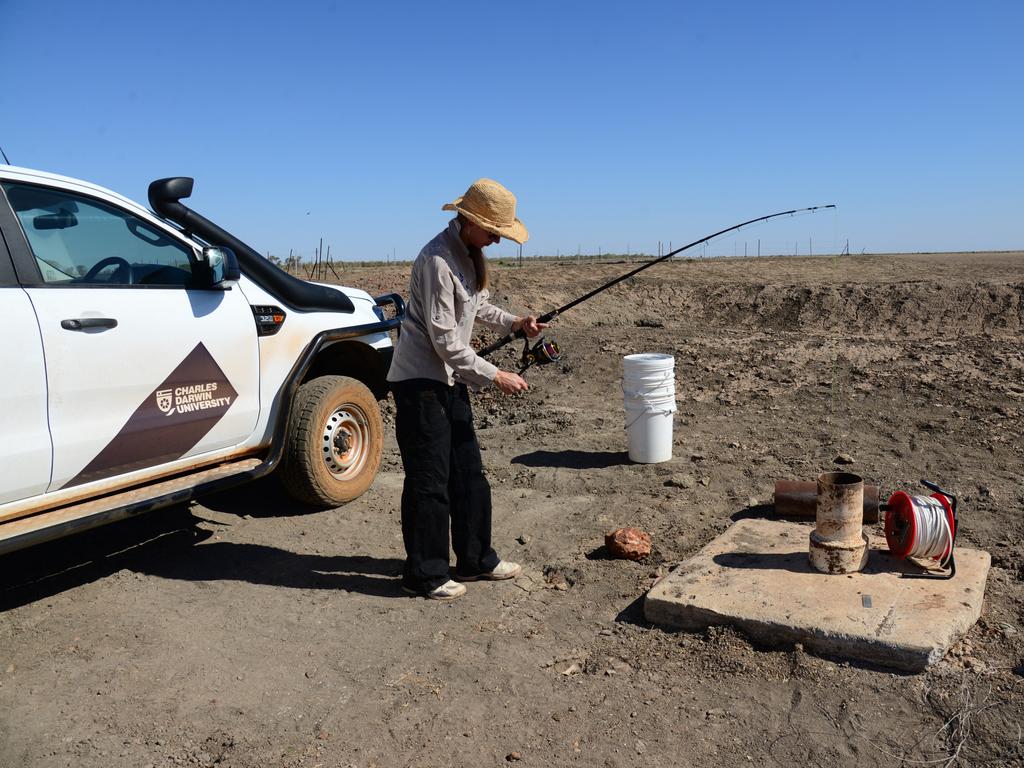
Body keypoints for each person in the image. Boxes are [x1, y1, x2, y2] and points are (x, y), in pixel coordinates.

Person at [387, 178, 546, 601]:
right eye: (494, 231)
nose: (496, 239)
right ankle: (424, 573)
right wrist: (495, 375)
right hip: (421, 382)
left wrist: (516, 322)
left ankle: (476, 559)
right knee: (430, 479)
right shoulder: (438, 260)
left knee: (468, 473)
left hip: (450, 380)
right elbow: (444, 340)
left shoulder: (469, 255)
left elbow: (478, 306)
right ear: (470, 221)